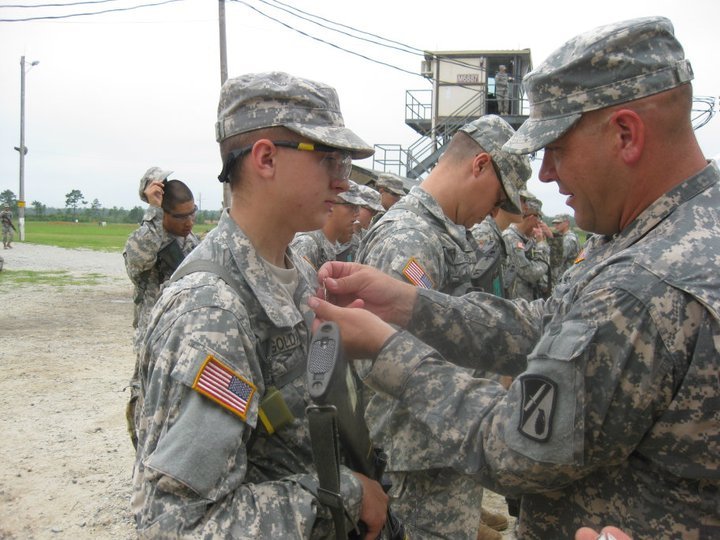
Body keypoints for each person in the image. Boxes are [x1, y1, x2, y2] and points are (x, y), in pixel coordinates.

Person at [309, 16, 719, 539]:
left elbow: (515, 448)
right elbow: (546, 322)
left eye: (558, 146)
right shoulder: (655, 231)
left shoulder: (643, 285)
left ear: (625, 133)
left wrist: (393, 353)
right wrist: (413, 306)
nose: (546, 174)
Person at [131, 71, 388, 538]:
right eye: (330, 159)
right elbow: (178, 525)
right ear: (266, 158)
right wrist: (344, 493)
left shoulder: (298, 273)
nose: (343, 182)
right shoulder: (211, 314)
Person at [356, 115, 531, 540]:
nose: (493, 212)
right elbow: (385, 353)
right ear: (480, 165)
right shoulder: (409, 238)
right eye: (497, 197)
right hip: (421, 450)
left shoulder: (444, 233)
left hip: (443, 440)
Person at [123, 168, 201, 449]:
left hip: (187, 343)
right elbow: (138, 261)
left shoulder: (193, 242)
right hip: (154, 349)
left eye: (193, 213)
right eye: (181, 216)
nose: (190, 221)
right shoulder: (143, 241)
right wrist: (154, 212)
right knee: (146, 418)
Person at [291, 180, 365, 267]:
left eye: (358, 207)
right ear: (331, 204)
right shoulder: (308, 244)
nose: (357, 213)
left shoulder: (335, 246)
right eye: (351, 206)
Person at [501, 194, 552, 300]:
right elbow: (530, 274)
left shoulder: (528, 238)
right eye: (539, 218)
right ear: (532, 217)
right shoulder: (511, 237)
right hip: (517, 303)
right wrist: (542, 245)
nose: (539, 223)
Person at [551, 213, 581, 283]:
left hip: (567, 278)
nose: (556, 225)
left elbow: (558, 259)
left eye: (558, 223)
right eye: (555, 223)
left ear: (566, 223)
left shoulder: (569, 239)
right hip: (564, 277)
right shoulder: (564, 237)